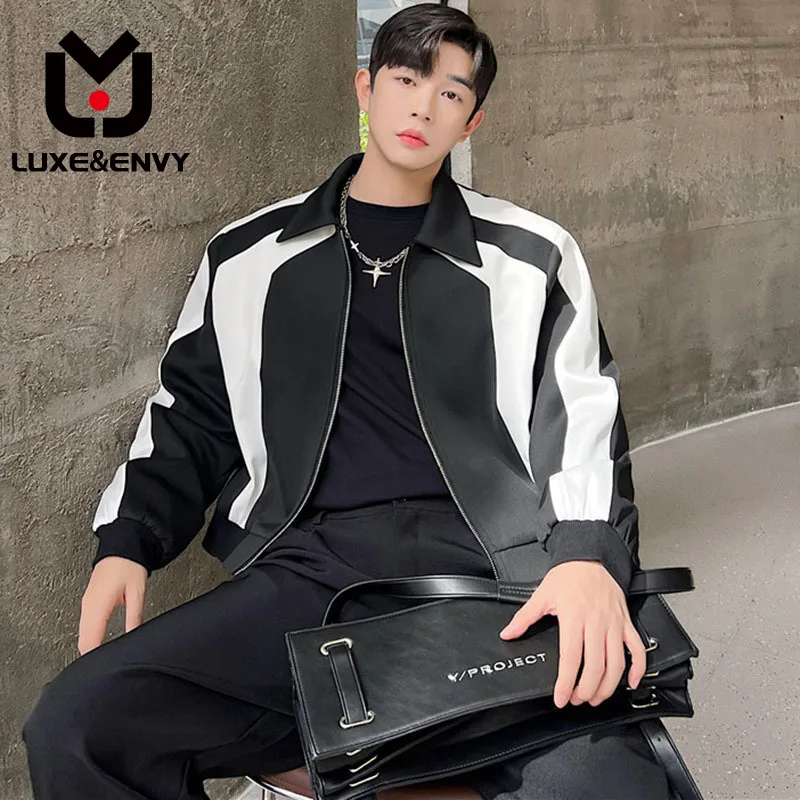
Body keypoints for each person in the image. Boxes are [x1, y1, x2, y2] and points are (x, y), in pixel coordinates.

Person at [21, 4, 677, 799]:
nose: (422, 107)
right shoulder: (249, 256)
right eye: (405, 79)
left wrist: (584, 558)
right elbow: (191, 415)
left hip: (496, 573)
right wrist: (128, 541)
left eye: (451, 93)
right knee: (79, 723)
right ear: (366, 89)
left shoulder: (533, 255)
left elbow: (580, 421)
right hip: (305, 574)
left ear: (472, 120)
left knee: (604, 783)